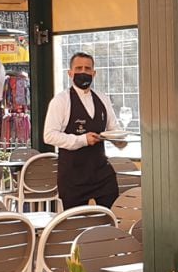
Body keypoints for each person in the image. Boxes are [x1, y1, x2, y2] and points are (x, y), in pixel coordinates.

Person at [43, 51, 121, 209]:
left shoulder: (102, 98)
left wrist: (121, 140)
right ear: (70, 73)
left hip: (101, 173)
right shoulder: (61, 101)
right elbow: (49, 136)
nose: (83, 72)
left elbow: (113, 128)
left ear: (94, 73)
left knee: (112, 216)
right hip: (73, 176)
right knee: (75, 221)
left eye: (87, 68)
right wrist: (82, 140)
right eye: (79, 68)